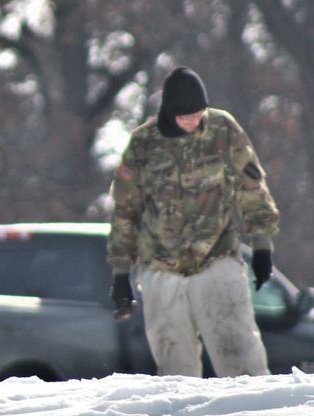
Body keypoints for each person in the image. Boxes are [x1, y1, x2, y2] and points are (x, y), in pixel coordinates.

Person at [107, 66, 279, 377]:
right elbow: (124, 211)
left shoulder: (222, 129)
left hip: (217, 259)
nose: (194, 120)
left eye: (199, 113)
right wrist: (121, 273)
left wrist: (262, 245)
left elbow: (251, 187)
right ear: (169, 112)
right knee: (175, 371)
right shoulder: (143, 144)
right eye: (186, 115)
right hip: (161, 270)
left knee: (243, 361)